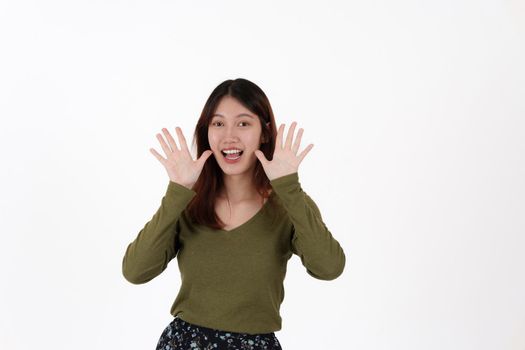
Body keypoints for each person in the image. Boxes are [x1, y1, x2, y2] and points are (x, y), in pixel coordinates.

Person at [122, 78, 346, 349]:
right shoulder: (187, 202)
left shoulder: (288, 203)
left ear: (264, 133)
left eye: (243, 123)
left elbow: (329, 267)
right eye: (218, 123)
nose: (229, 136)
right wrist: (177, 192)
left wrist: (288, 188)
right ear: (207, 133)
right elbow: (135, 271)